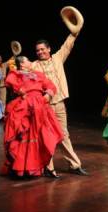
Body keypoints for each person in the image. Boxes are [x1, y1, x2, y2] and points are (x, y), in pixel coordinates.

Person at [32, 35, 89, 177]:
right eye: (38, 50)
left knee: (63, 135)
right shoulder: (34, 66)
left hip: (59, 104)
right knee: (46, 137)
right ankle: (48, 167)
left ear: (49, 49)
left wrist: (74, 31)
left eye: (42, 49)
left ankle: (74, 165)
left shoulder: (57, 58)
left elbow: (68, 44)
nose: (40, 52)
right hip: (45, 106)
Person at [1, 56, 63, 177]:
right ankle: (22, 169)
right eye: (28, 60)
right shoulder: (16, 73)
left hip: (40, 105)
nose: (31, 62)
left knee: (42, 136)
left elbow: (50, 85)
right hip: (25, 105)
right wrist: (20, 90)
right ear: (22, 64)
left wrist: (48, 95)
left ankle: (40, 168)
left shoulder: (38, 74)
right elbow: (10, 80)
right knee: (24, 136)